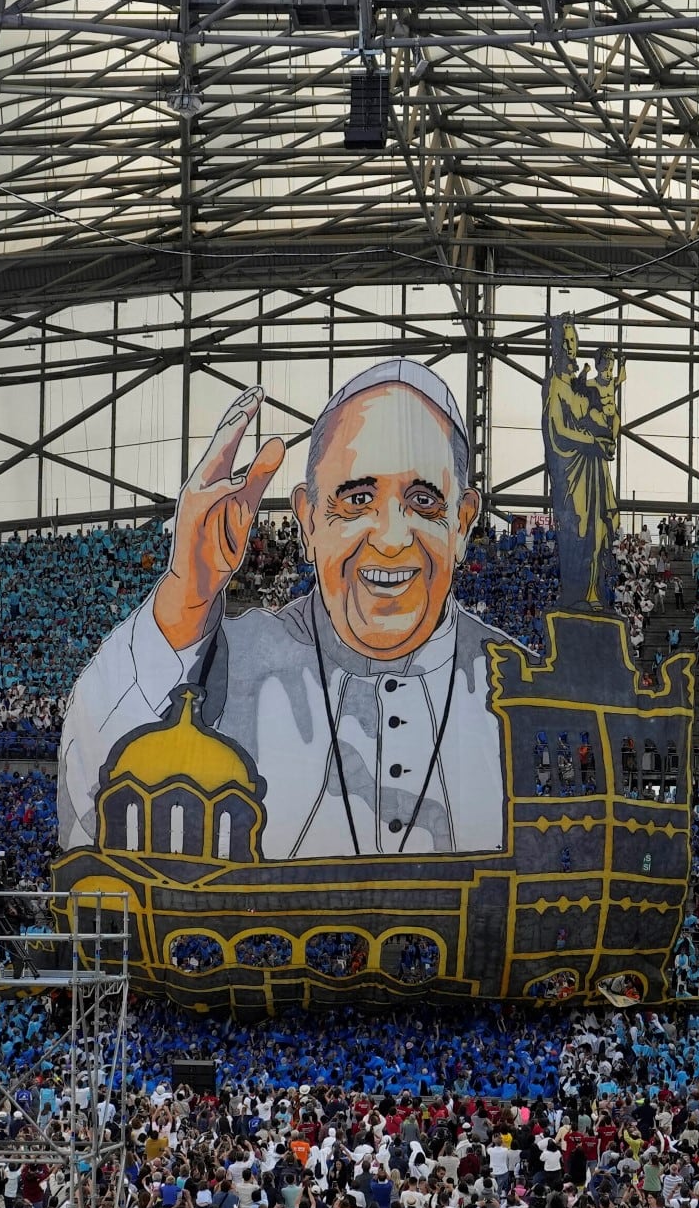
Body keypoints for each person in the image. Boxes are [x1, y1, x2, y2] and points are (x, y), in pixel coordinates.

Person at [60, 366, 513, 859]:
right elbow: (91, 805)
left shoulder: (521, 682)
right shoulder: (231, 660)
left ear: (464, 521)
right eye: (357, 499)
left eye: (424, 501)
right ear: (308, 519)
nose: (391, 538)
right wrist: (184, 598)